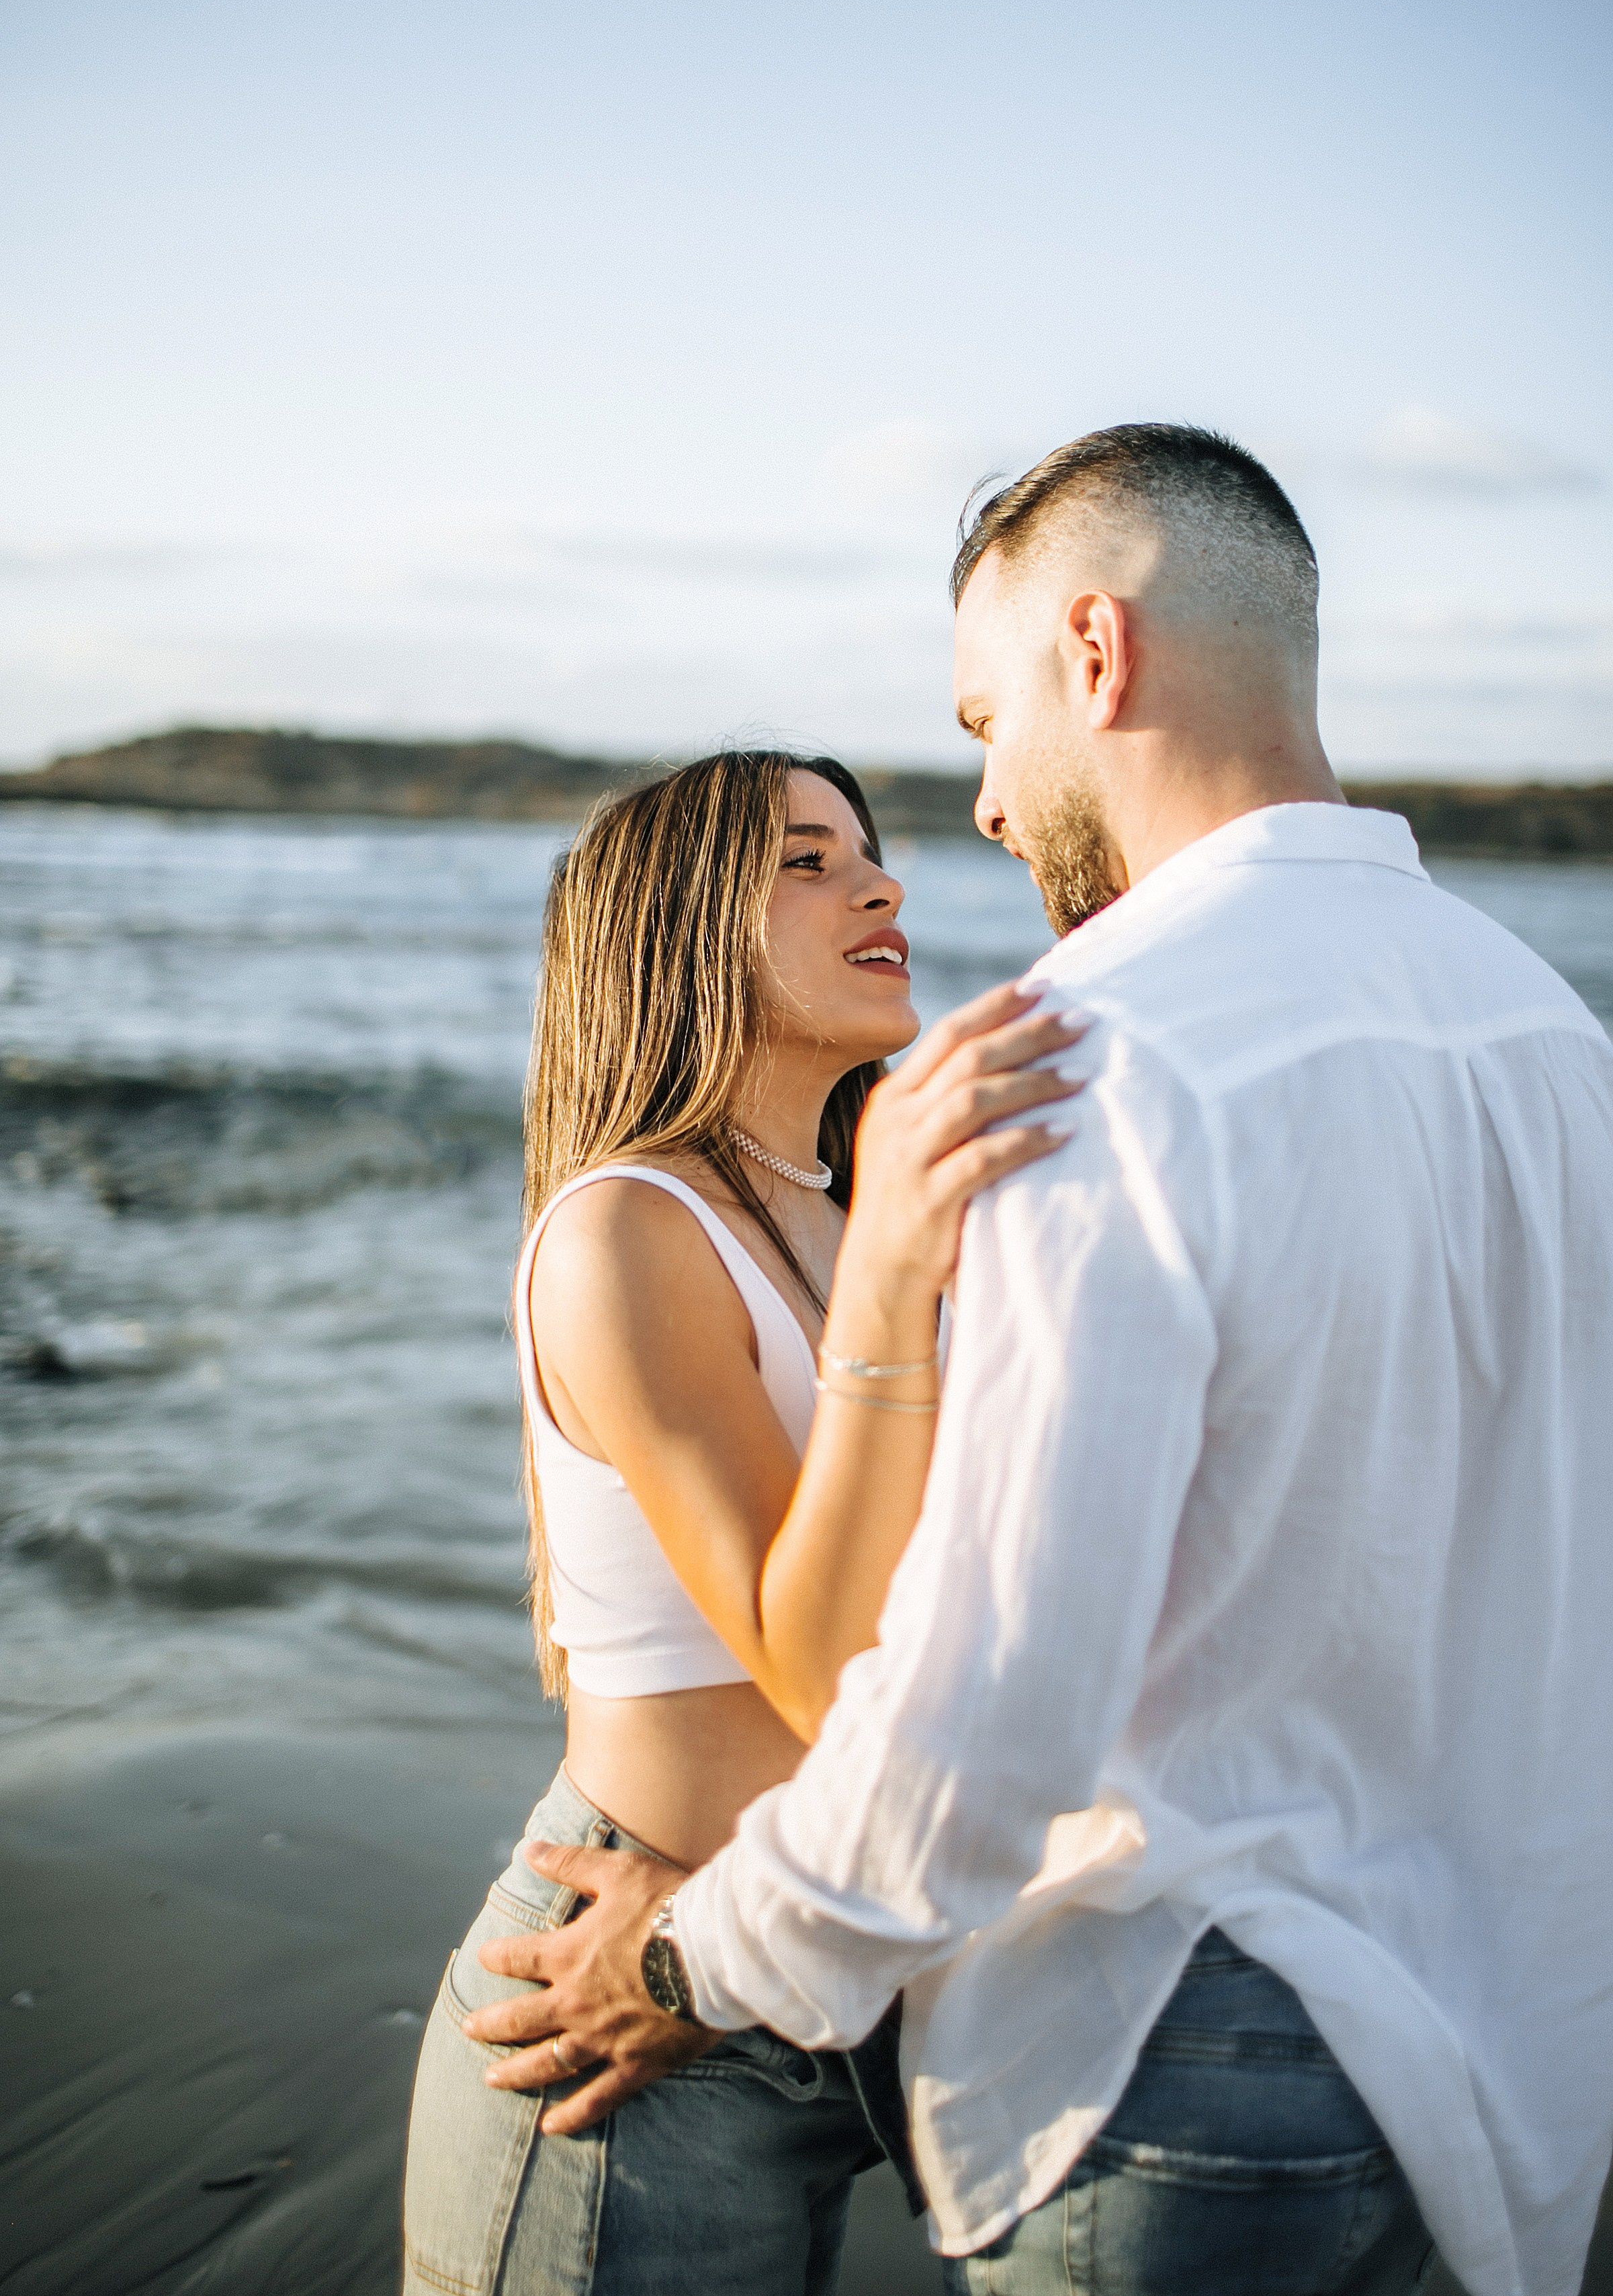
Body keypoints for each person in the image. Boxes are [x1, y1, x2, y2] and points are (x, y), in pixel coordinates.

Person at [464, 426, 1613, 2296]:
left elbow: (982, 1714)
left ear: (1098, 657)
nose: (986, 809)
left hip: (1187, 2064)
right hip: (1513, 2077)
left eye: (989, 725)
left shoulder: (1085, 1057)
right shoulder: (1554, 1045)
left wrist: (687, 1958)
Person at [400, 746, 1082, 2295]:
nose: (881, 883)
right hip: (619, 2008)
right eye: (804, 860)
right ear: (673, 928)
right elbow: (828, 1675)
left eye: (868, 851)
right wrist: (905, 1271)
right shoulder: (631, 1228)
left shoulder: (873, 1212)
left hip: (823, 1971)